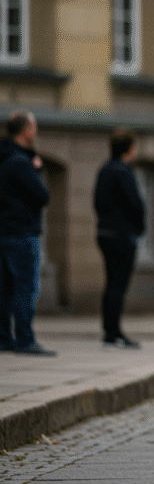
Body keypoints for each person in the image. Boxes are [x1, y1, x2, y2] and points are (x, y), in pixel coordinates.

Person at [0, 111, 55, 356]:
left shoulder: (5, 158)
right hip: (21, 232)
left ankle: (4, 338)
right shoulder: (20, 164)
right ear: (26, 131)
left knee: (6, 289)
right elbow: (42, 196)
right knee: (25, 287)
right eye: (33, 127)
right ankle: (25, 339)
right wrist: (37, 170)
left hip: (4, 232)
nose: (36, 132)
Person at [93, 128, 146, 349]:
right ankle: (113, 333)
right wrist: (138, 228)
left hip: (104, 233)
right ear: (130, 149)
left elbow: (96, 202)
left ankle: (109, 331)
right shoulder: (123, 172)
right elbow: (135, 204)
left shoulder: (104, 170)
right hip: (122, 235)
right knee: (118, 285)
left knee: (111, 283)